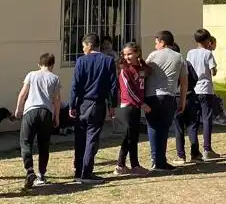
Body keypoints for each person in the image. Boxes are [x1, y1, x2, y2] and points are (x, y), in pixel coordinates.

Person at [69, 34, 117, 183]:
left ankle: (79, 171)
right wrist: (112, 105)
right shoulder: (108, 61)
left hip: (82, 104)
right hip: (98, 104)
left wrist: (72, 104)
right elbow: (113, 86)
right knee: (92, 138)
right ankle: (86, 172)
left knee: (80, 138)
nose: (83, 49)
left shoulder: (81, 61)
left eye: (83, 46)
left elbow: (75, 85)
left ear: (89, 45)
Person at [15, 53, 60, 190]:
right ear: (52, 65)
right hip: (46, 112)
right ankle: (41, 174)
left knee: (26, 141)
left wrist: (18, 109)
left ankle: (29, 170)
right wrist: (56, 116)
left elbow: (23, 93)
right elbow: (57, 100)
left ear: (39, 64)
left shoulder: (31, 75)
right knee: (44, 144)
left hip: (31, 110)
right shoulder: (55, 78)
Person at [143, 31, 187, 172]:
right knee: (163, 129)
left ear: (162, 42)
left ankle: (155, 160)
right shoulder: (179, 57)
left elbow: (144, 73)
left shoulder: (153, 56)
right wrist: (182, 101)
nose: (155, 46)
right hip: (169, 96)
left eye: (156, 43)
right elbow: (184, 83)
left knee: (152, 127)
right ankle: (161, 161)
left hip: (151, 95)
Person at [115, 42, 150, 176]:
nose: (127, 57)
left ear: (137, 53)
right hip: (129, 106)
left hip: (135, 106)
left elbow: (148, 72)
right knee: (130, 136)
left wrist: (144, 63)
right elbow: (129, 90)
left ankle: (122, 165)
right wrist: (141, 103)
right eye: (125, 54)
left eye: (130, 54)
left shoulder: (140, 68)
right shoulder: (125, 70)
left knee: (131, 136)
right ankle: (131, 165)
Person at [185, 29, 220, 160]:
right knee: (206, 119)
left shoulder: (190, 53)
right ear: (207, 40)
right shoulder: (208, 53)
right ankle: (207, 148)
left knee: (193, 121)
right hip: (206, 89)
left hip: (193, 88)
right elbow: (213, 71)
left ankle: (194, 151)